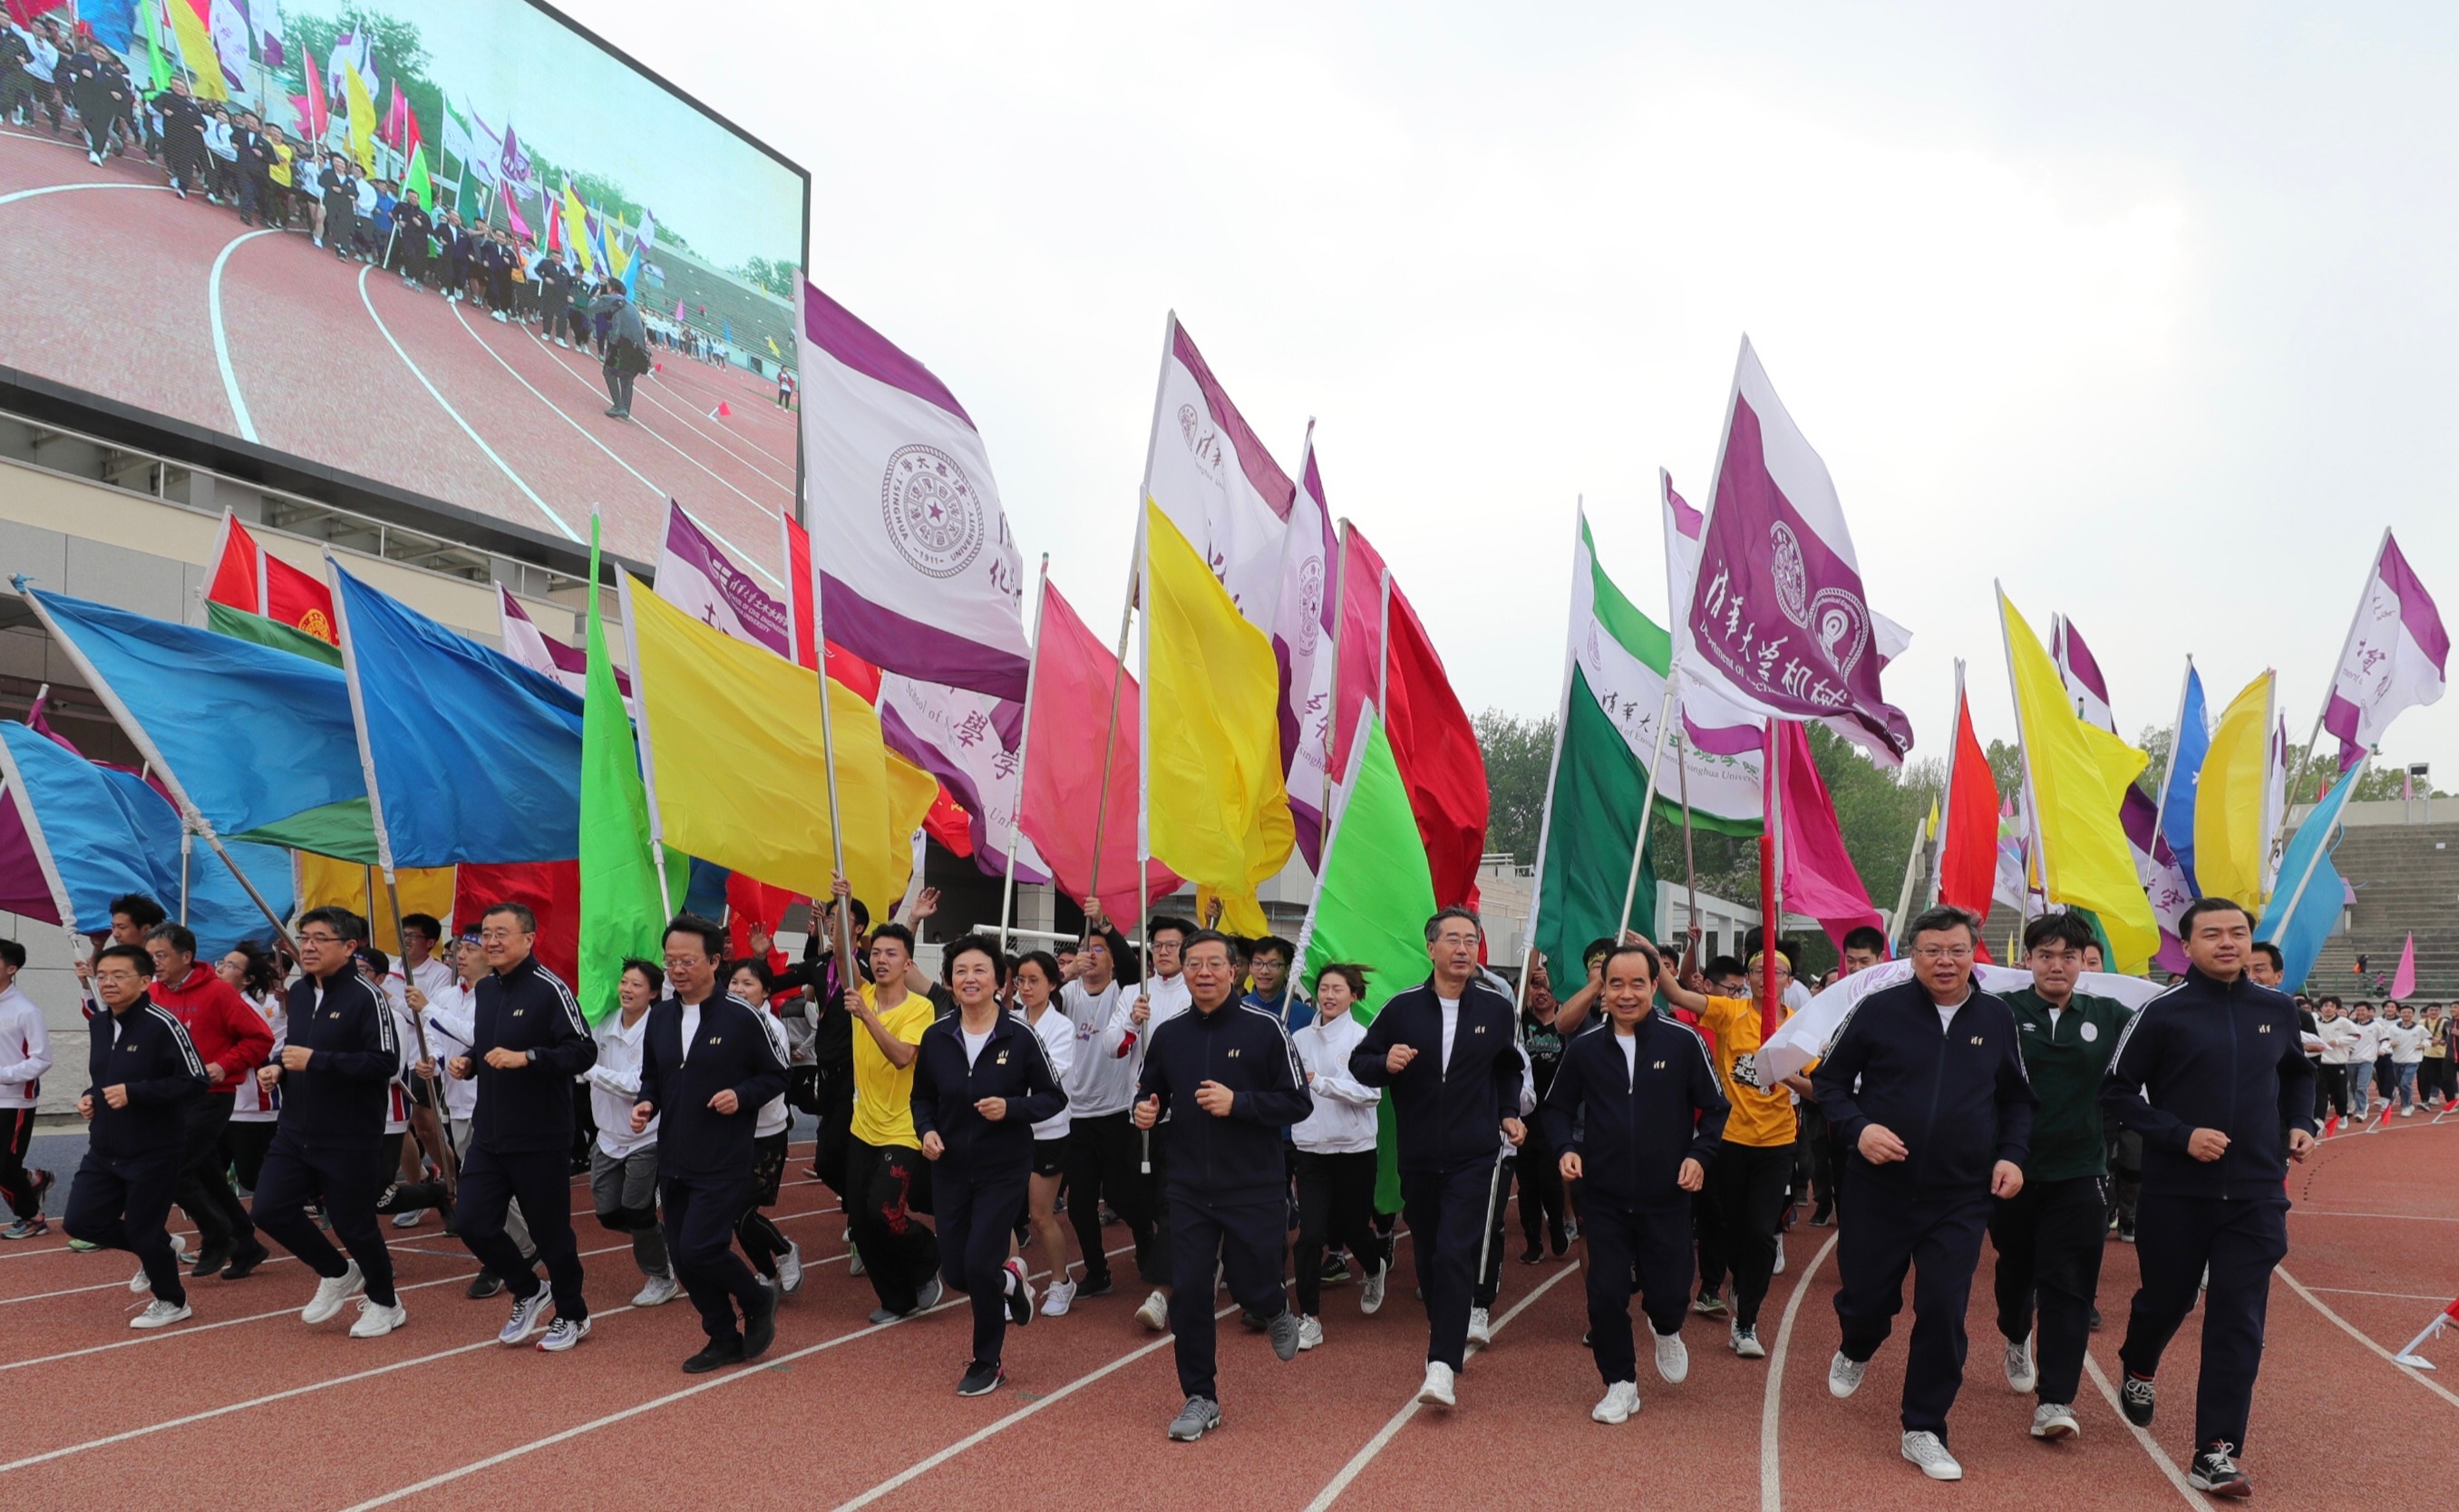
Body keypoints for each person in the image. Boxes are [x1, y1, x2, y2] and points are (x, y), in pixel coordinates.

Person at [2104, 896, 2317, 1497]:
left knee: (2238, 1320)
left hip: (2255, 1193)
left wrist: (2301, 1122)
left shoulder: (2277, 1008)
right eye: (2213, 934)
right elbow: (2115, 1093)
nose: (2228, 942)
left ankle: (2216, 1451)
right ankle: (2140, 1362)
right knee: (2167, 1300)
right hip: (2178, 1190)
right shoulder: (2163, 1012)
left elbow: (2298, 1075)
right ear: (2188, 945)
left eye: (2238, 933)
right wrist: (2179, 1135)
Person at [1814, 904, 2036, 1483]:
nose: (1945, 960)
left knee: (1943, 1309)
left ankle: (1925, 1428)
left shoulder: (1997, 1018)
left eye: (1956, 949)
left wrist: (2012, 1156)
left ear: (1973, 952)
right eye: (1932, 950)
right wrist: (1859, 1129)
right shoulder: (1878, 1011)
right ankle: (1858, 1343)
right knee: (1865, 1300)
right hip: (1878, 1189)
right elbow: (1830, 1082)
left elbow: (2016, 1100)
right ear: (1912, 956)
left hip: (1959, 1197)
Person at [1132, 929, 1309, 1439]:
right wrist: (1146, 1108)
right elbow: (1151, 1089)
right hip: (1188, 1186)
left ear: (1235, 972)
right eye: (1194, 964)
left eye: (1214, 963)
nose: (1203, 972)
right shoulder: (1169, 1034)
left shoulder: (1266, 1029)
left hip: (1252, 1184)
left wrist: (1241, 1104)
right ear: (1182, 971)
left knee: (1253, 1284)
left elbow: (1298, 1102)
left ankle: (1275, 1305)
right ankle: (1201, 1396)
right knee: (1188, 1292)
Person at [1351, 906, 1529, 1410]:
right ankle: (1444, 1331)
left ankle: (1441, 1364)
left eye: (1470, 940)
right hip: (1420, 1155)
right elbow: (1360, 1062)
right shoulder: (1402, 1008)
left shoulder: (1496, 1009)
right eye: (1452, 939)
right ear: (1431, 948)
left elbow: (1508, 1069)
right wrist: (1384, 1063)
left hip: (1476, 1153)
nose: (1462, 949)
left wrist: (1508, 1113)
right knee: (1430, 1256)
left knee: (1456, 1253)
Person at [1544, 940, 1728, 1423]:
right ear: (1602, 989)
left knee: (1668, 1293)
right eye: (1616, 984)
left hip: (1666, 1196)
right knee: (1604, 1294)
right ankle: (1620, 1383)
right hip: (1602, 1197)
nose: (1627, 994)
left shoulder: (1682, 1042)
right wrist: (1565, 1148)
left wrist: (1699, 1156)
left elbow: (1715, 1109)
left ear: (1655, 986)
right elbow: (1558, 1108)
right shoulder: (1585, 1049)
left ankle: (1666, 1329)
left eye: (1637, 984)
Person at [1988, 912, 2132, 1441]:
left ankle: (2055, 1400)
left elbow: (2165, 1044)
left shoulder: (2109, 1014)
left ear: (2083, 963)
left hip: (2081, 1170)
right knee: (2015, 1273)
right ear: (2027, 960)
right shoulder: (2000, 1012)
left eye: (2068, 956)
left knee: (2069, 1284)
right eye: (2045, 955)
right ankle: (2014, 1332)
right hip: (2012, 1170)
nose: (2057, 965)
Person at [630, 915, 787, 1372]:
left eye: (687, 961)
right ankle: (721, 1334)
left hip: (722, 1156)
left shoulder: (742, 1016)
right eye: (670, 960)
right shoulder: (659, 1017)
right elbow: (652, 1077)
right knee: (682, 1256)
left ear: (715, 961)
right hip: (673, 1157)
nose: (677, 969)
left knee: (701, 1248)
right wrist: (646, 1103)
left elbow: (776, 1075)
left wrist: (741, 1096)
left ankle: (757, 1296)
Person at [911, 936, 1066, 1395]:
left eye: (980, 970)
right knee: (957, 1273)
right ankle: (1010, 1278)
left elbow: (1053, 1097)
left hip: (1004, 1168)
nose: (970, 979)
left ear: (1001, 981)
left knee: (978, 1262)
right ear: (947, 981)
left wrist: (1012, 1108)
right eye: (960, 971)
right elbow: (922, 1097)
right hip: (950, 1167)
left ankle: (988, 1360)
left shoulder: (1020, 1037)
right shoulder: (936, 1036)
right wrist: (927, 1131)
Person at [252, 907, 408, 1336]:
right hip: (295, 1127)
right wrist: (278, 1067)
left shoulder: (366, 996)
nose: (309, 946)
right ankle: (337, 1272)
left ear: (349, 946)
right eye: (304, 938)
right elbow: (295, 1049)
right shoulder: (300, 993)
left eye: (320, 938)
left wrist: (316, 1061)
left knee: (352, 1224)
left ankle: (385, 1302)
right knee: (268, 1209)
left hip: (348, 1132)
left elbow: (385, 1063)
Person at [448, 903, 598, 1352]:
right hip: (490, 1133)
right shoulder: (488, 990)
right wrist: (469, 1063)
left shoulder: (550, 989)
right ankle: (529, 1289)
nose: (491, 942)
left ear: (529, 939)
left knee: (551, 1234)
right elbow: (489, 1046)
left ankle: (572, 1312)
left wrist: (529, 1058)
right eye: (486, 934)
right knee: (472, 1222)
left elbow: (583, 1051)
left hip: (539, 1137)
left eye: (502, 933)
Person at [1652, 943, 1806, 1358]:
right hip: (1730, 1139)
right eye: (1758, 970)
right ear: (1749, 978)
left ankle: (1747, 1323)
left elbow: (1819, 1088)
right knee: (1729, 1228)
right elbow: (1680, 996)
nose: (1765, 976)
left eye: (1775, 971)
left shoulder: (1798, 1027)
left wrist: (1786, 1075)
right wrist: (1652, 955)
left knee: (1760, 1233)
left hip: (1777, 1143)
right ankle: (1740, 1278)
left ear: (1788, 982)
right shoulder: (1730, 1012)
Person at [64, 945, 207, 1329]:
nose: (108, 983)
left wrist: (136, 1093)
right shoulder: (99, 1022)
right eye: (103, 975)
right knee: (80, 1221)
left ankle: (173, 1301)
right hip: (105, 1148)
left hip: (154, 1150)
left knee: (144, 1232)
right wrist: (90, 1098)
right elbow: (104, 1079)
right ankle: (162, 1246)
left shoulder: (163, 1024)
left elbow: (196, 1081)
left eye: (119, 975)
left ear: (146, 982)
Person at [142, 924, 275, 1278]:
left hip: (210, 1097)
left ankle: (217, 1236)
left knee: (173, 1166)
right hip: (171, 1098)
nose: (154, 962)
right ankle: (247, 1244)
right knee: (208, 1174)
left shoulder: (218, 992)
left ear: (186, 957)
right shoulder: (153, 993)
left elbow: (261, 1039)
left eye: (161, 955)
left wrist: (224, 1065)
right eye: (150, 955)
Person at [845, 921, 943, 1322]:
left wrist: (867, 1016)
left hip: (904, 1128)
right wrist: (840, 908)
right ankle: (895, 1297)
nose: (880, 960)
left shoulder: (921, 1008)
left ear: (907, 964)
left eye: (891, 954)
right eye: (876, 953)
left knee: (882, 1211)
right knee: (859, 1222)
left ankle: (928, 1254)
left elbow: (903, 1056)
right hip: (861, 1126)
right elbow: (839, 953)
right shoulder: (862, 992)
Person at [1290, 963, 1387, 1349]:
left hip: (1354, 1149)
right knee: (1310, 1235)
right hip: (1311, 1149)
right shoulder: (1297, 1037)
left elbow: (1372, 1094)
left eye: (1338, 989)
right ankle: (1309, 1317)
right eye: (1324, 988)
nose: (1329, 996)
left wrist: (1323, 1083)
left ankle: (1375, 1265)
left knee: (1352, 1229)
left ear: (1354, 995)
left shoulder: (1364, 1038)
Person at [1106, 916, 1194, 1332]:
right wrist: (1130, 1022)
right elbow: (1112, 1047)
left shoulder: (1194, 993)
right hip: (1138, 1113)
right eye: (1157, 944)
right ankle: (1155, 1249)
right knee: (1127, 1195)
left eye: (1171, 945)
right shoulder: (1132, 993)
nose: (1163, 951)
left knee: (1170, 1203)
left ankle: (1162, 1291)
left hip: (1181, 1119)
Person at [585, 959, 678, 1308]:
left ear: (654, 993)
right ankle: (662, 1240)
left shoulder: (659, 1029)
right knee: (608, 1214)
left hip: (646, 1137)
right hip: (607, 1135)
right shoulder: (605, 1023)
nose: (627, 989)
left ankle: (661, 1276)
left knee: (637, 1210)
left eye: (637, 985)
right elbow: (585, 1062)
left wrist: (589, 1070)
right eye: (624, 982)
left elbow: (638, 1086)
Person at [1059, 918, 1142, 1303]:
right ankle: (1097, 1270)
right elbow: (1046, 1004)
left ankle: (1147, 1248)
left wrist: (1108, 927)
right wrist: (1065, 975)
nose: (1090, 957)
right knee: (1079, 1205)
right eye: (1085, 949)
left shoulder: (1121, 994)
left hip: (1116, 1111)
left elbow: (1130, 965)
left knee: (1125, 1197)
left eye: (1099, 950)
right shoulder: (1069, 994)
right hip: (1075, 1116)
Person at [724, 959, 802, 1296]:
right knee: (733, 1212)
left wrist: (737, 1095)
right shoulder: (720, 1022)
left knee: (741, 1209)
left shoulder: (773, 1029)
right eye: (735, 983)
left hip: (765, 1134)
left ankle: (785, 1250)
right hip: (728, 1133)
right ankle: (768, 1273)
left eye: (748, 984)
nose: (739, 990)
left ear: (766, 991)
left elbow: (774, 1080)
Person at [1009, 950, 1079, 1314]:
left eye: (1034, 980)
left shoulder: (1062, 1028)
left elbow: (1053, 1079)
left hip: (1047, 1132)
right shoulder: (1010, 1020)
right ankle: (1011, 1284)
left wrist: (1011, 1097)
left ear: (1052, 984)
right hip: (1008, 1131)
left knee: (1039, 1216)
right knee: (1003, 1212)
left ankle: (1060, 1282)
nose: (1025, 987)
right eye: (1020, 980)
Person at [1514, 958, 1572, 1264]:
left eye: (1547, 987)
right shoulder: (1521, 1024)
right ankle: (1533, 1242)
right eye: (1536, 986)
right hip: (1524, 1117)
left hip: (1554, 1116)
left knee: (1550, 1182)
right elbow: (1519, 995)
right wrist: (1529, 970)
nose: (1541, 992)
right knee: (1526, 1186)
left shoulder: (1566, 1025)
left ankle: (1557, 1226)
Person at [0, 938, 54, 1239]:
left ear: (12, 968)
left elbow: (42, 1059)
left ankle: (33, 1218)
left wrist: (5, 1075)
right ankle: (33, 1179)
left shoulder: (25, 1010)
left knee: (5, 1166)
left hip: (15, 1100)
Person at [595, 286, 649, 418]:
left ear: (612, 291)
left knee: (608, 371)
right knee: (627, 378)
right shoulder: (633, 308)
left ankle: (619, 406)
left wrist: (595, 296)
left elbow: (614, 325)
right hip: (638, 348)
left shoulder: (617, 305)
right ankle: (625, 409)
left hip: (622, 344)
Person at [2384, 1004, 2427, 1115]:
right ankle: (2409, 1103)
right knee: (2399, 1084)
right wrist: (2390, 1043)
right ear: (2400, 1013)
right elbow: (2385, 1040)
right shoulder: (2393, 1028)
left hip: (2413, 1060)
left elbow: (2429, 1039)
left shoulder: (2420, 1028)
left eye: (2409, 1012)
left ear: (2413, 1014)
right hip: (2397, 1060)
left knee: (2405, 1083)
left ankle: (2406, 1106)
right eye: (2404, 1012)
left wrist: (2423, 1045)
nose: (2406, 1014)